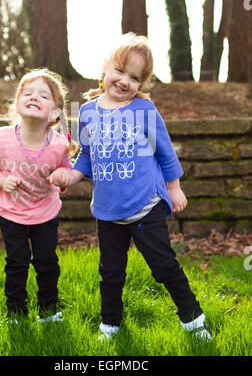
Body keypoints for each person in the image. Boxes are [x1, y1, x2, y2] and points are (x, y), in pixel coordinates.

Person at [49, 33, 212, 342]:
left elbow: (164, 151)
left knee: (164, 266)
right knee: (110, 273)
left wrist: (174, 188)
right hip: (108, 212)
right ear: (105, 69)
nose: (124, 81)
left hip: (145, 204)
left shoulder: (144, 111)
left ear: (142, 84)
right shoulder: (86, 113)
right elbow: (86, 157)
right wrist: (70, 176)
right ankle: (109, 326)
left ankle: (194, 320)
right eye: (120, 71)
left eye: (134, 77)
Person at [0, 68, 78, 324]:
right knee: (17, 261)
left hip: (44, 212)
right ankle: (16, 313)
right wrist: (2, 180)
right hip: (10, 211)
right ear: (17, 103)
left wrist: (61, 175)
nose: (34, 97)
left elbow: (67, 171)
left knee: (47, 261)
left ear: (55, 113)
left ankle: (48, 310)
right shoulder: (2, 138)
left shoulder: (59, 144)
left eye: (43, 95)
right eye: (27, 92)